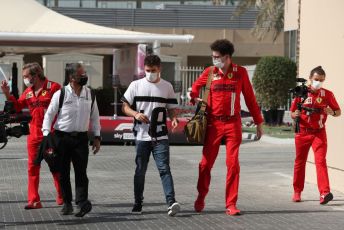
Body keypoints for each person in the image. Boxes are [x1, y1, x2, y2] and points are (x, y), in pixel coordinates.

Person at [190, 39, 264, 216]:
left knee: (233, 164)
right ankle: (201, 196)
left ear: (227, 57)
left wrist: (259, 122)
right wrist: (194, 97)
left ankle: (231, 203)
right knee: (205, 163)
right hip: (213, 124)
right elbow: (195, 88)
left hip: (233, 123)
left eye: (217, 57)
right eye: (213, 56)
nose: (214, 59)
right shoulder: (210, 72)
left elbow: (250, 99)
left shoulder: (241, 73)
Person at [121, 55, 181, 216]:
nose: (150, 73)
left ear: (159, 69)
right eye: (147, 70)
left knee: (164, 169)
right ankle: (137, 203)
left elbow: (171, 108)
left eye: (153, 71)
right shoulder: (136, 85)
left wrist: (174, 118)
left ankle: (171, 202)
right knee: (140, 170)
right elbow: (124, 106)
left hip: (160, 135)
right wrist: (135, 114)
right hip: (141, 135)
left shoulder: (167, 86)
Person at [0, 62, 63, 209]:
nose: (25, 79)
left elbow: (64, 108)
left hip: (51, 134)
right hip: (34, 134)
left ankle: (62, 196)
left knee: (55, 166)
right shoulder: (28, 92)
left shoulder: (54, 87)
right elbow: (17, 107)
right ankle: (34, 200)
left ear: (35, 75)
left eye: (26, 76)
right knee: (32, 167)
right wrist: (7, 93)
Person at [42, 63, 101, 217]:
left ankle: (82, 203)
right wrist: (47, 134)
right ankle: (67, 203)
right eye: (81, 74)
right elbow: (49, 115)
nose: (84, 76)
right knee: (63, 173)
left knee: (81, 172)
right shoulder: (61, 94)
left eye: (84, 74)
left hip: (81, 139)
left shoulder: (90, 94)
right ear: (71, 77)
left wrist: (97, 137)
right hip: (61, 138)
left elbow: (95, 117)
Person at [290, 66, 341, 204]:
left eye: (321, 80)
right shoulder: (301, 93)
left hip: (319, 133)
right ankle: (297, 191)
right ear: (310, 79)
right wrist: (294, 115)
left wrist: (331, 112)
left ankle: (324, 193)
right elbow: (293, 112)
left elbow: (338, 112)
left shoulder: (327, 94)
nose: (318, 82)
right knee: (300, 162)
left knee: (321, 161)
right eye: (316, 79)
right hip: (302, 132)